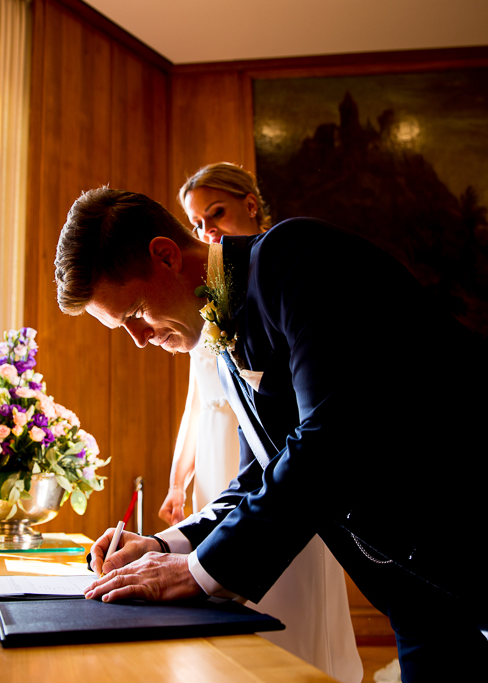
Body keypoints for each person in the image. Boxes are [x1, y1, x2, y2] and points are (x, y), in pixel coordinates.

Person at [54, 188, 488, 682]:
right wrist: (165, 547)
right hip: (423, 593)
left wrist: (200, 573)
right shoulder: (223, 338)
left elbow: (333, 435)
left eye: (133, 313)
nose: (138, 338)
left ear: (164, 255)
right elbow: (259, 475)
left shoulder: (292, 257)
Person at [159, 163, 361, 682]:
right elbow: (214, 419)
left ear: (251, 203)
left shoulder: (292, 257)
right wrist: (172, 537)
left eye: (216, 213)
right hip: (244, 457)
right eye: (197, 222)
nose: (208, 231)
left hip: (316, 466)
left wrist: (194, 568)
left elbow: (323, 434)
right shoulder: (212, 312)